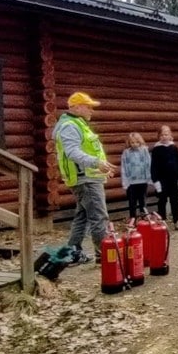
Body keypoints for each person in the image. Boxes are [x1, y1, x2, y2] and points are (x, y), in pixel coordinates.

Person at [53, 91, 116, 264]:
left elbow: (89, 150)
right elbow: (72, 152)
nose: (91, 110)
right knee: (98, 217)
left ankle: (73, 253)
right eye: (88, 106)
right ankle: (104, 256)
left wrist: (102, 167)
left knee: (82, 216)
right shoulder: (70, 126)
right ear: (76, 107)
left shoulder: (77, 124)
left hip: (88, 177)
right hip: (85, 180)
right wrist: (96, 163)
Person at [151, 125, 178, 231]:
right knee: (162, 200)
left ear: (170, 136)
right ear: (159, 136)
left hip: (174, 179)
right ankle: (162, 221)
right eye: (162, 135)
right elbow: (153, 166)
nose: (164, 137)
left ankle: (177, 221)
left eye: (166, 134)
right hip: (162, 180)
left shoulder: (174, 148)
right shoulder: (156, 149)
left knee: (174, 200)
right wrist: (155, 181)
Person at [121, 132, 151, 224]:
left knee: (142, 200)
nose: (134, 144)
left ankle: (144, 218)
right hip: (131, 182)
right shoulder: (126, 153)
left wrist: (149, 177)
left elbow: (148, 163)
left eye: (136, 142)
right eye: (132, 142)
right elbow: (124, 166)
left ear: (140, 142)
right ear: (129, 143)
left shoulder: (144, 151)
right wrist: (125, 181)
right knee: (132, 202)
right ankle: (133, 219)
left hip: (142, 180)